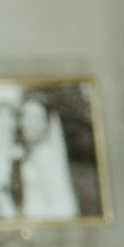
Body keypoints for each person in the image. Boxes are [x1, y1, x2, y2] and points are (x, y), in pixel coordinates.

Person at [16, 93, 80, 222]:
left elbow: (62, 208)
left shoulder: (45, 156)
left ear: (46, 123)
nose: (29, 123)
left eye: (36, 118)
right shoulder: (32, 152)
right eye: (26, 116)